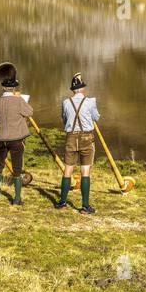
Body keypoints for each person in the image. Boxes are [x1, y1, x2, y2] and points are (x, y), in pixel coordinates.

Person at [0, 62, 35, 205]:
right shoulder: (18, 100)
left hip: (1, 138)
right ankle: (16, 199)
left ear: (3, 87)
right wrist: (19, 98)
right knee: (17, 169)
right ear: (14, 87)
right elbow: (30, 112)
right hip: (16, 139)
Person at [58, 72, 100, 214]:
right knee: (85, 171)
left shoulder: (65, 102)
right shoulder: (90, 101)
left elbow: (64, 119)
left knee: (67, 170)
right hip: (86, 138)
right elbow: (96, 117)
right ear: (82, 89)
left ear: (73, 90)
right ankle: (85, 206)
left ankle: (62, 203)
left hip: (71, 137)